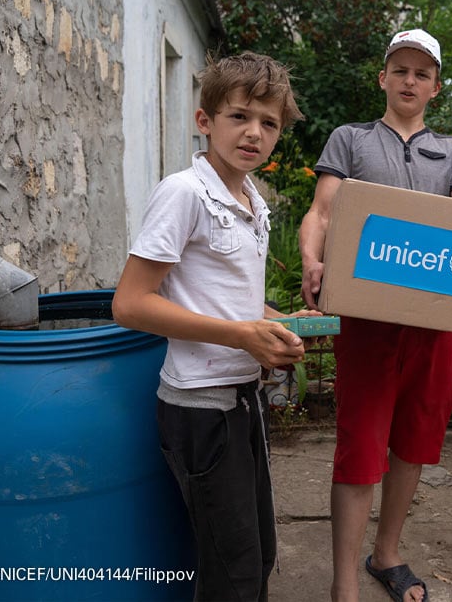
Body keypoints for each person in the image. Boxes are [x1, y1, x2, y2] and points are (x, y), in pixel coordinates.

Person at [112, 52, 315, 601]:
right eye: (239, 116)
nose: (254, 133)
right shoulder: (184, 193)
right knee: (233, 573)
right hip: (200, 409)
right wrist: (242, 336)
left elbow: (230, 301)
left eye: (269, 123)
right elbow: (130, 304)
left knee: (258, 556)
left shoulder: (250, 199)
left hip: (243, 400)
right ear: (205, 120)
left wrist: (282, 322)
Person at [299, 28, 452, 602]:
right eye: (400, 69)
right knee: (360, 445)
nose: (409, 80)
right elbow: (321, 212)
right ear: (383, 77)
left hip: (432, 325)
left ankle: (387, 554)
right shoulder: (350, 139)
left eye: (422, 73)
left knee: (414, 441)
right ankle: (344, 584)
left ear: (436, 88)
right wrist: (311, 258)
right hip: (367, 323)